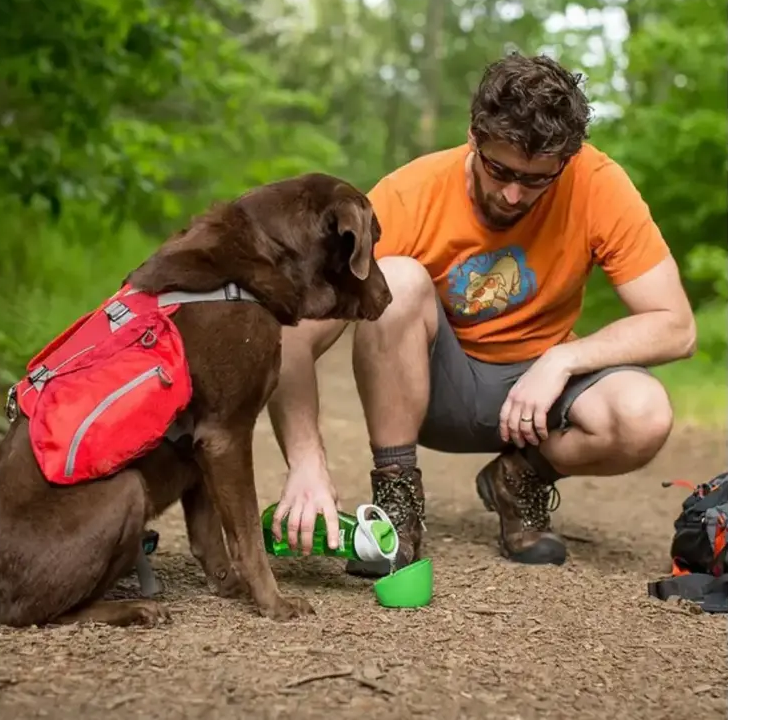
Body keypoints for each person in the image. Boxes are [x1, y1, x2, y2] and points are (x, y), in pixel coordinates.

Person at [266, 52, 698, 576]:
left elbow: (675, 325)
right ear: (474, 135)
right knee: (397, 280)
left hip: (538, 398)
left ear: (568, 159)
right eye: (500, 170)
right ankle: (399, 505)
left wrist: (561, 360)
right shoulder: (409, 195)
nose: (514, 194)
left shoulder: (598, 184)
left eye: (538, 179)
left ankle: (518, 480)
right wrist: (306, 463)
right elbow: (292, 334)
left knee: (643, 414)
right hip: (437, 390)